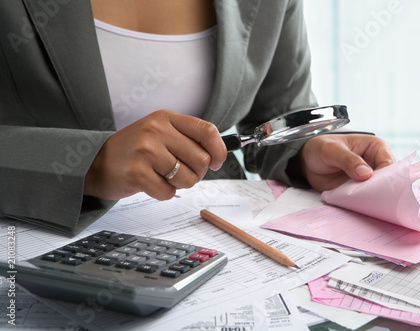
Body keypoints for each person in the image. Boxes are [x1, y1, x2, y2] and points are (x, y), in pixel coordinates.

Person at [0, 0, 394, 235]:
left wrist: (309, 150)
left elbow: (277, 110)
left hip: (218, 242)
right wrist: (88, 164)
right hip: (30, 242)